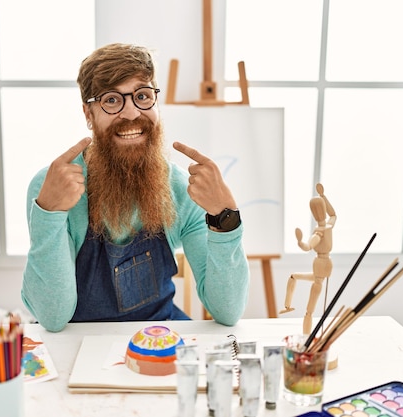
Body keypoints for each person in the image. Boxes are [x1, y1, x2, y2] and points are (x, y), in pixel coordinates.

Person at [21, 43, 250, 332]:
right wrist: (49, 213)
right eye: (112, 100)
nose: (131, 114)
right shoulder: (51, 187)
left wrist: (224, 218)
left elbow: (228, 311)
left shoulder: (180, 188)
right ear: (88, 114)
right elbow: (53, 318)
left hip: (162, 337)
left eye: (142, 96)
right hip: (80, 346)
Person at [279, 183, 336, 334]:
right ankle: (287, 306)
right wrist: (323, 196)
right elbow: (333, 215)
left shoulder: (319, 232)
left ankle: (306, 338)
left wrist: (300, 242)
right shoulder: (329, 226)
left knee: (309, 310)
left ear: (314, 213)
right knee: (294, 276)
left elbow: (308, 247)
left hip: (320, 266)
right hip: (326, 264)